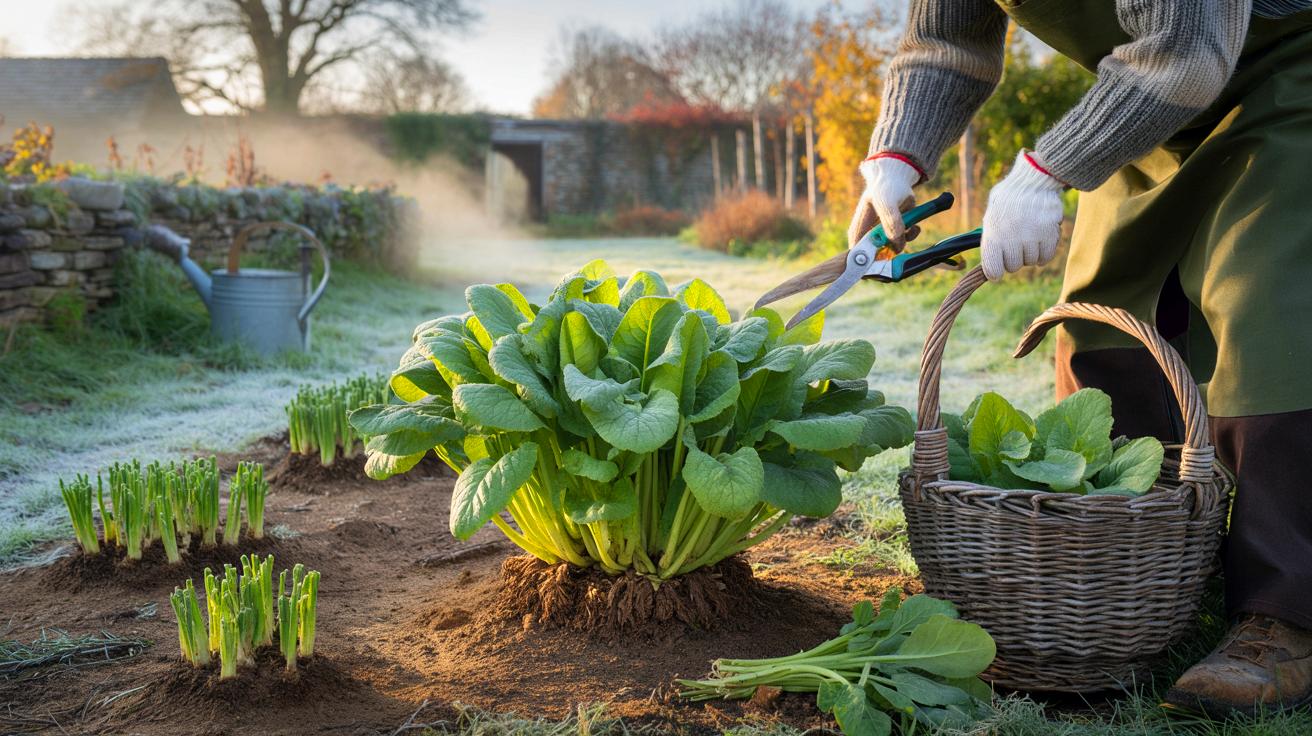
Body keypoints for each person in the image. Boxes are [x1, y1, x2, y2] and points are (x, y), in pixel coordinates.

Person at [853, 0, 1312, 717]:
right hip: (1144, 100)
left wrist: (1046, 170)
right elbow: (945, 41)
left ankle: (1286, 612)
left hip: (1289, 74)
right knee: (1103, 320)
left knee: (1266, 314)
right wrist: (895, 154)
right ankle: (1152, 576)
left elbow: (1187, 47)